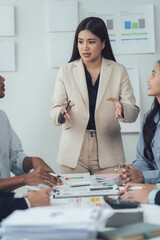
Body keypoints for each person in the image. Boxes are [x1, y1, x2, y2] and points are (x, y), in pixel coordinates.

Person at [50, 17, 139, 174]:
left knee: (110, 197)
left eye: (91, 42)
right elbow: (54, 112)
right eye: (80, 41)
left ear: (103, 43)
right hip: (73, 152)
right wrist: (61, 112)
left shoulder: (119, 70)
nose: (85, 47)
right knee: (72, 198)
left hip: (109, 150)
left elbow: (133, 112)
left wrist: (123, 108)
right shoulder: (66, 70)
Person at [0, 75, 62, 191]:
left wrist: (33, 161)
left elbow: (14, 159)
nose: (3, 79)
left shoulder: (2, 117)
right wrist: (26, 179)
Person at [116, 61, 160, 184]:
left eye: (154, 74)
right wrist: (131, 170)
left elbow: (146, 175)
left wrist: (143, 176)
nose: (148, 79)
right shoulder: (149, 118)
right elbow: (144, 160)